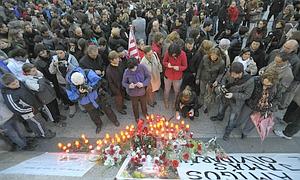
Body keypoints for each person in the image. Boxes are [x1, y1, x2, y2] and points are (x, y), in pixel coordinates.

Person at [1, 73, 56, 139]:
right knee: (39, 123)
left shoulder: (19, 83)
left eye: (16, 81)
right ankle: (44, 134)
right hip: (28, 113)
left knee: (35, 123)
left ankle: (39, 132)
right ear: (7, 86)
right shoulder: (9, 95)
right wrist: (31, 109)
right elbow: (16, 108)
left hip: (34, 107)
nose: (17, 84)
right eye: (13, 84)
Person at [66, 67, 120, 134]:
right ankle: (98, 125)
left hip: (98, 96)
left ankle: (114, 120)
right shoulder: (69, 85)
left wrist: (91, 87)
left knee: (107, 109)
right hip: (86, 103)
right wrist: (80, 93)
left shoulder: (87, 72)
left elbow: (98, 80)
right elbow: (72, 98)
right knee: (93, 115)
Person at [210, 62, 254, 141]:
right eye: (231, 74)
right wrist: (222, 85)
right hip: (225, 96)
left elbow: (247, 95)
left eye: (234, 75)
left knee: (232, 118)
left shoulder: (249, 81)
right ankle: (219, 117)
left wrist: (233, 95)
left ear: (240, 73)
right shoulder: (230, 72)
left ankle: (228, 131)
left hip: (236, 102)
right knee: (221, 108)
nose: (232, 76)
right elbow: (223, 78)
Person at [238, 71, 279, 139]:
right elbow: (246, 90)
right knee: (241, 117)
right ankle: (236, 125)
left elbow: (277, 98)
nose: (264, 86)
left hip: (262, 108)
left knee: (252, 122)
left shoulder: (275, 87)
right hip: (250, 104)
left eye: (268, 85)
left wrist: (271, 105)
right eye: (263, 83)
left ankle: (245, 132)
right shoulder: (255, 80)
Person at [49, 44, 79, 118]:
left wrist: (68, 64)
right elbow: (51, 71)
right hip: (62, 81)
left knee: (77, 92)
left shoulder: (71, 57)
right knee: (67, 95)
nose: (59, 55)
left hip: (73, 80)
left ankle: (81, 105)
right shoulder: (54, 59)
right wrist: (53, 65)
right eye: (57, 53)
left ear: (65, 51)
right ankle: (72, 107)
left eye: (61, 53)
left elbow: (77, 68)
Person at [195, 48, 225, 114]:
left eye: (215, 56)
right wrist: (197, 77)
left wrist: (217, 80)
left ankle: (205, 106)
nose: (213, 57)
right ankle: (200, 102)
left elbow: (221, 73)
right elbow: (200, 68)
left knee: (208, 94)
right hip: (203, 78)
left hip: (211, 81)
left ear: (218, 56)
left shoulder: (221, 63)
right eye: (212, 55)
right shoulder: (205, 58)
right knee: (202, 92)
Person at [122, 58, 151, 122]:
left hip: (142, 92)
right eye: (131, 69)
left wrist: (143, 84)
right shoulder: (126, 71)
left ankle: (145, 113)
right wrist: (129, 86)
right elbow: (123, 83)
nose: (132, 70)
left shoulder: (142, 67)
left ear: (137, 64)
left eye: (134, 68)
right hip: (133, 93)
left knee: (144, 104)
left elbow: (148, 77)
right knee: (135, 105)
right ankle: (136, 117)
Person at [163, 43, 187, 109]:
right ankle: (166, 100)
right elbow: (164, 62)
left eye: (174, 54)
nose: (173, 55)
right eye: (171, 54)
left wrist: (179, 68)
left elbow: (185, 66)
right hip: (168, 75)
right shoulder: (168, 53)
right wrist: (167, 64)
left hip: (177, 76)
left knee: (177, 91)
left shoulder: (183, 54)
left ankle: (175, 102)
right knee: (167, 90)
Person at [106, 51, 127, 115]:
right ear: (111, 60)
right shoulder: (109, 70)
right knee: (118, 99)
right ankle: (119, 109)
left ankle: (122, 105)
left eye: (118, 58)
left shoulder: (120, 64)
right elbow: (110, 82)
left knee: (123, 96)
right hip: (116, 88)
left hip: (122, 85)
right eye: (116, 58)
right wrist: (115, 91)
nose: (118, 59)